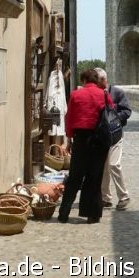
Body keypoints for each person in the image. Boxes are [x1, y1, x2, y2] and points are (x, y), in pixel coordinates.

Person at [57, 68, 114, 224]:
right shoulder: (103, 94)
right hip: (99, 141)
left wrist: (69, 140)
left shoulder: (76, 95)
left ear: (83, 80)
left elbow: (69, 119)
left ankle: (64, 213)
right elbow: (112, 110)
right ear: (96, 80)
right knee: (94, 177)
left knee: (75, 176)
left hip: (81, 139)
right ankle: (93, 215)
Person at [94, 67, 131, 210]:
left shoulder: (117, 92)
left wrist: (114, 119)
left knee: (114, 164)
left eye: (97, 81)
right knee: (104, 167)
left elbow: (127, 111)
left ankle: (124, 196)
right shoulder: (95, 94)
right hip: (101, 137)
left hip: (115, 135)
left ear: (103, 80)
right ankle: (106, 198)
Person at [46, 58, 67, 148]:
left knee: (56, 127)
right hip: (56, 103)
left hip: (56, 103)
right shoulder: (54, 75)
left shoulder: (58, 75)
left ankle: (55, 150)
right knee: (56, 126)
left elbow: (50, 91)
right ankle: (54, 150)